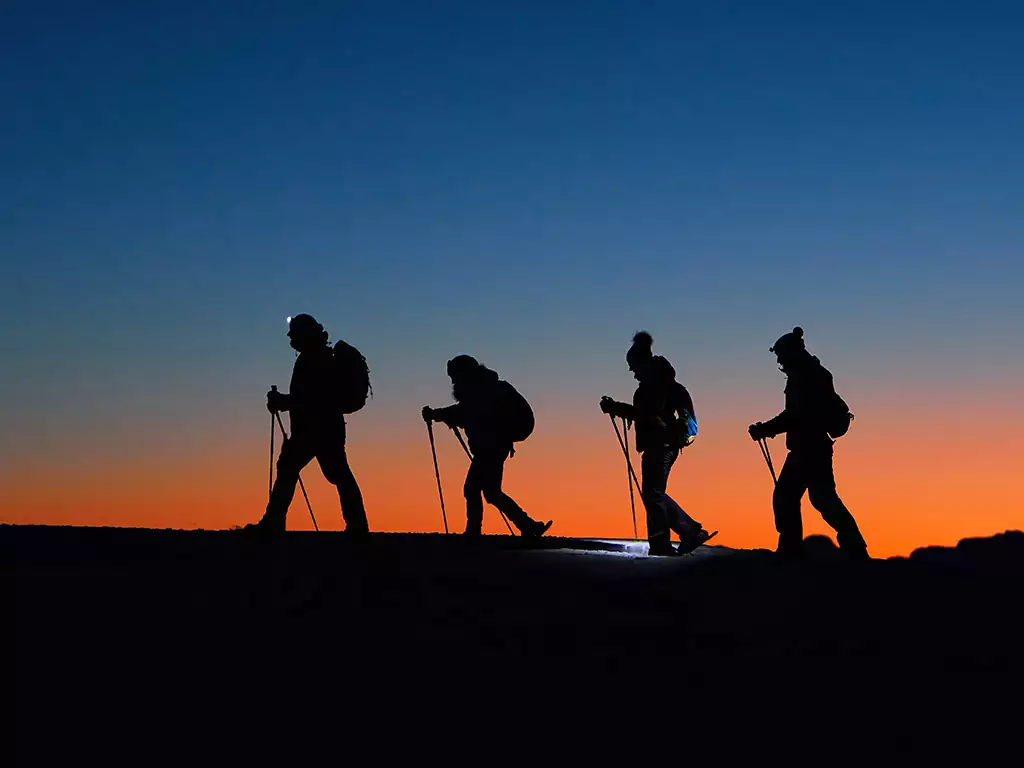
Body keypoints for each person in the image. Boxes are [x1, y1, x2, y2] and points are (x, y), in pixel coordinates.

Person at [748, 327, 869, 560]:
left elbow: (795, 414)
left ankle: (791, 550)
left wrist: (765, 429)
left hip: (807, 448)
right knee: (822, 498)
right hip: (817, 447)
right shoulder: (814, 372)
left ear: (790, 353)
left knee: (787, 496)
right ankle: (854, 546)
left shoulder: (803, 376)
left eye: (780, 355)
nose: (779, 361)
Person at [244, 314, 369, 534]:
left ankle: (273, 523)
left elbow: (311, 399)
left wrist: (282, 401)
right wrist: (285, 402)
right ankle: (357, 526)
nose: (292, 340)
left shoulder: (315, 359)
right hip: (320, 430)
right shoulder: (315, 357)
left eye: (294, 335)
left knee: (327, 473)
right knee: (322, 472)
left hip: (318, 430)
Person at [600, 331, 714, 556]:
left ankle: (682, 534)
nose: (633, 374)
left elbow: (646, 414)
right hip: (664, 445)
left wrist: (616, 408)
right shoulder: (660, 383)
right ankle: (665, 542)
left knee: (653, 494)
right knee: (653, 494)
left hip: (661, 445)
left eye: (634, 368)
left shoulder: (655, 386)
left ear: (642, 363)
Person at [422, 355, 552, 539]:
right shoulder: (485, 387)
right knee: (488, 492)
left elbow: (466, 412)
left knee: (477, 490)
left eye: (454, 376)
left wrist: (437, 414)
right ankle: (527, 526)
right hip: (493, 447)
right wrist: (441, 415)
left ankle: (478, 531)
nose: (452, 381)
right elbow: (466, 412)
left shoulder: (482, 390)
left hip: (491, 447)